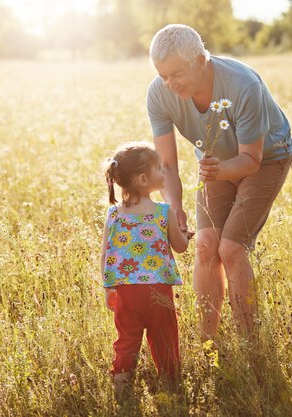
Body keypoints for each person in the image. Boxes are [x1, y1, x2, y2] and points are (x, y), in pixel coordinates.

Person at [146, 24, 292, 340]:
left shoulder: (243, 85)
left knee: (231, 248)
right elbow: (167, 164)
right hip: (215, 162)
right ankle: (207, 341)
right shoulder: (158, 94)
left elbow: (251, 161)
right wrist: (175, 207)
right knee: (204, 246)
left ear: (200, 61)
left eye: (177, 74)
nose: (170, 84)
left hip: (266, 158)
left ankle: (248, 340)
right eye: (163, 76)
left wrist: (219, 170)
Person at [100, 142, 191, 394]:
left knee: (127, 338)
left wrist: (109, 287)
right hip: (158, 290)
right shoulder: (163, 212)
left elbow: (106, 253)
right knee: (164, 336)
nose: (164, 172)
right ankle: (171, 385)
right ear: (142, 179)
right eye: (159, 168)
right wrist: (184, 234)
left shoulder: (114, 214)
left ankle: (121, 387)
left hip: (126, 291)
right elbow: (180, 247)